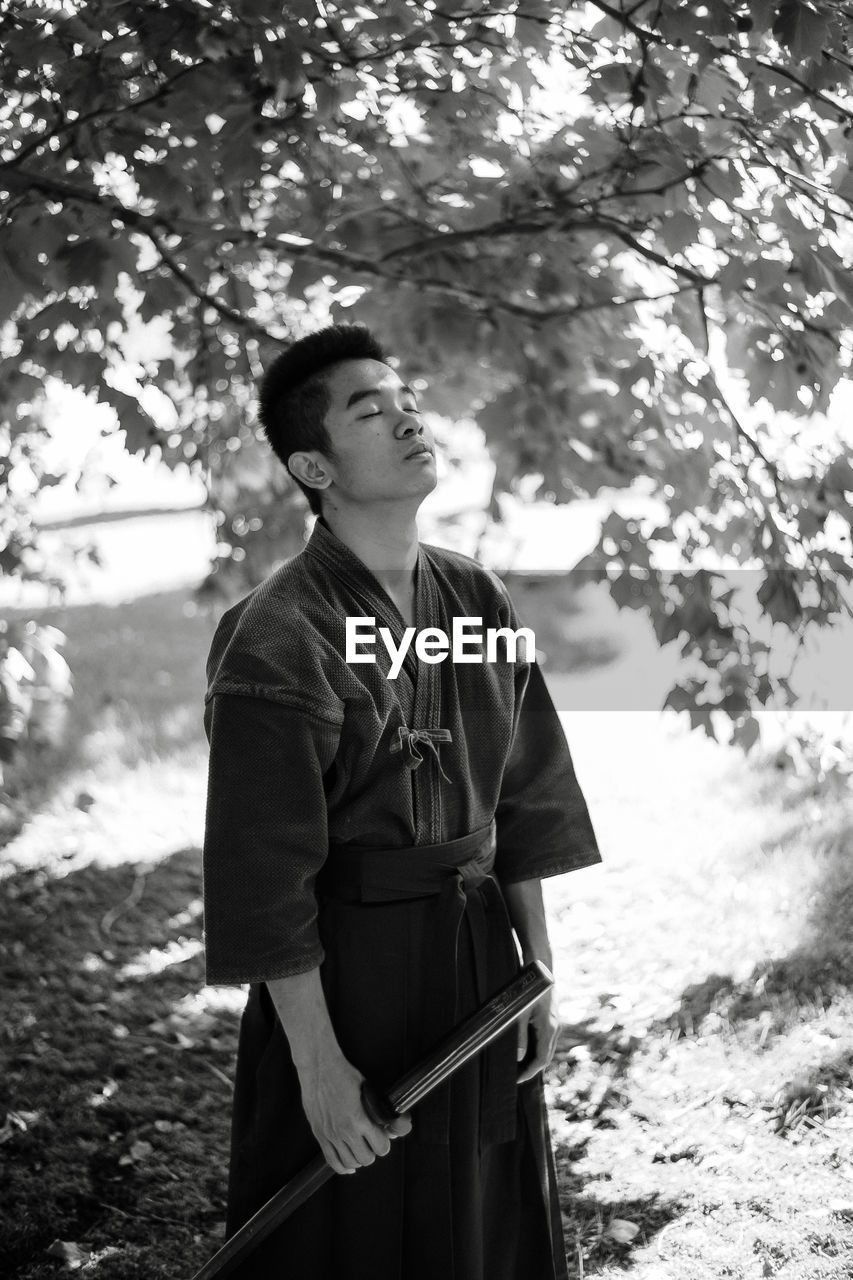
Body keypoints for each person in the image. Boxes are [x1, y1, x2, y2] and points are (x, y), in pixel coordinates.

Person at [201, 322, 601, 1279]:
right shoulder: (276, 640)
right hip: (350, 977)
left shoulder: (475, 599)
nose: (407, 419)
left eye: (406, 399)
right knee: (357, 1232)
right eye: (368, 410)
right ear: (315, 465)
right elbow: (264, 878)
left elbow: (525, 791)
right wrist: (320, 1069)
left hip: (474, 962)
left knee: (482, 1222)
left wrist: (535, 965)